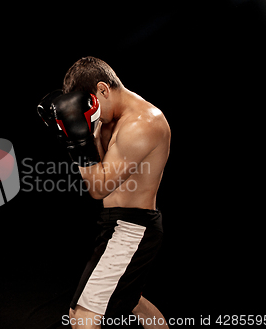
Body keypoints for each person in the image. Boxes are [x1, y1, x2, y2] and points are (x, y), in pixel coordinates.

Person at [38, 56, 171, 329]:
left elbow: (98, 188)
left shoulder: (142, 123)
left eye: (91, 102)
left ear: (103, 89)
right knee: (134, 302)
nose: (89, 110)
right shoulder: (109, 118)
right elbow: (100, 170)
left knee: (83, 319)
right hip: (116, 223)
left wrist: (78, 143)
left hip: (133, 227)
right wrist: (89, 136)